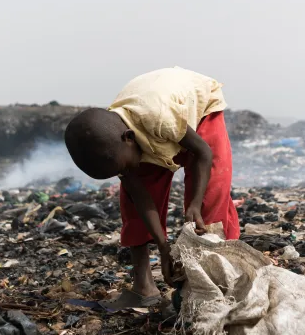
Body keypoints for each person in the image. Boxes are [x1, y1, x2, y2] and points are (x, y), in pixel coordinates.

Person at [64, 67, 240, 308]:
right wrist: (164, 246)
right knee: (132, 203)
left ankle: (214, 288)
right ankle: (143, 287)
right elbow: (141, 197)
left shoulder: (158, 117)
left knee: (209, 205)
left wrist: (195, 203)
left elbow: (203, 153)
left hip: (199, 116)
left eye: (123, 167)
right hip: (153, 131)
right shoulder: (114, 145)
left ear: (128, 137)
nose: (125, 172)